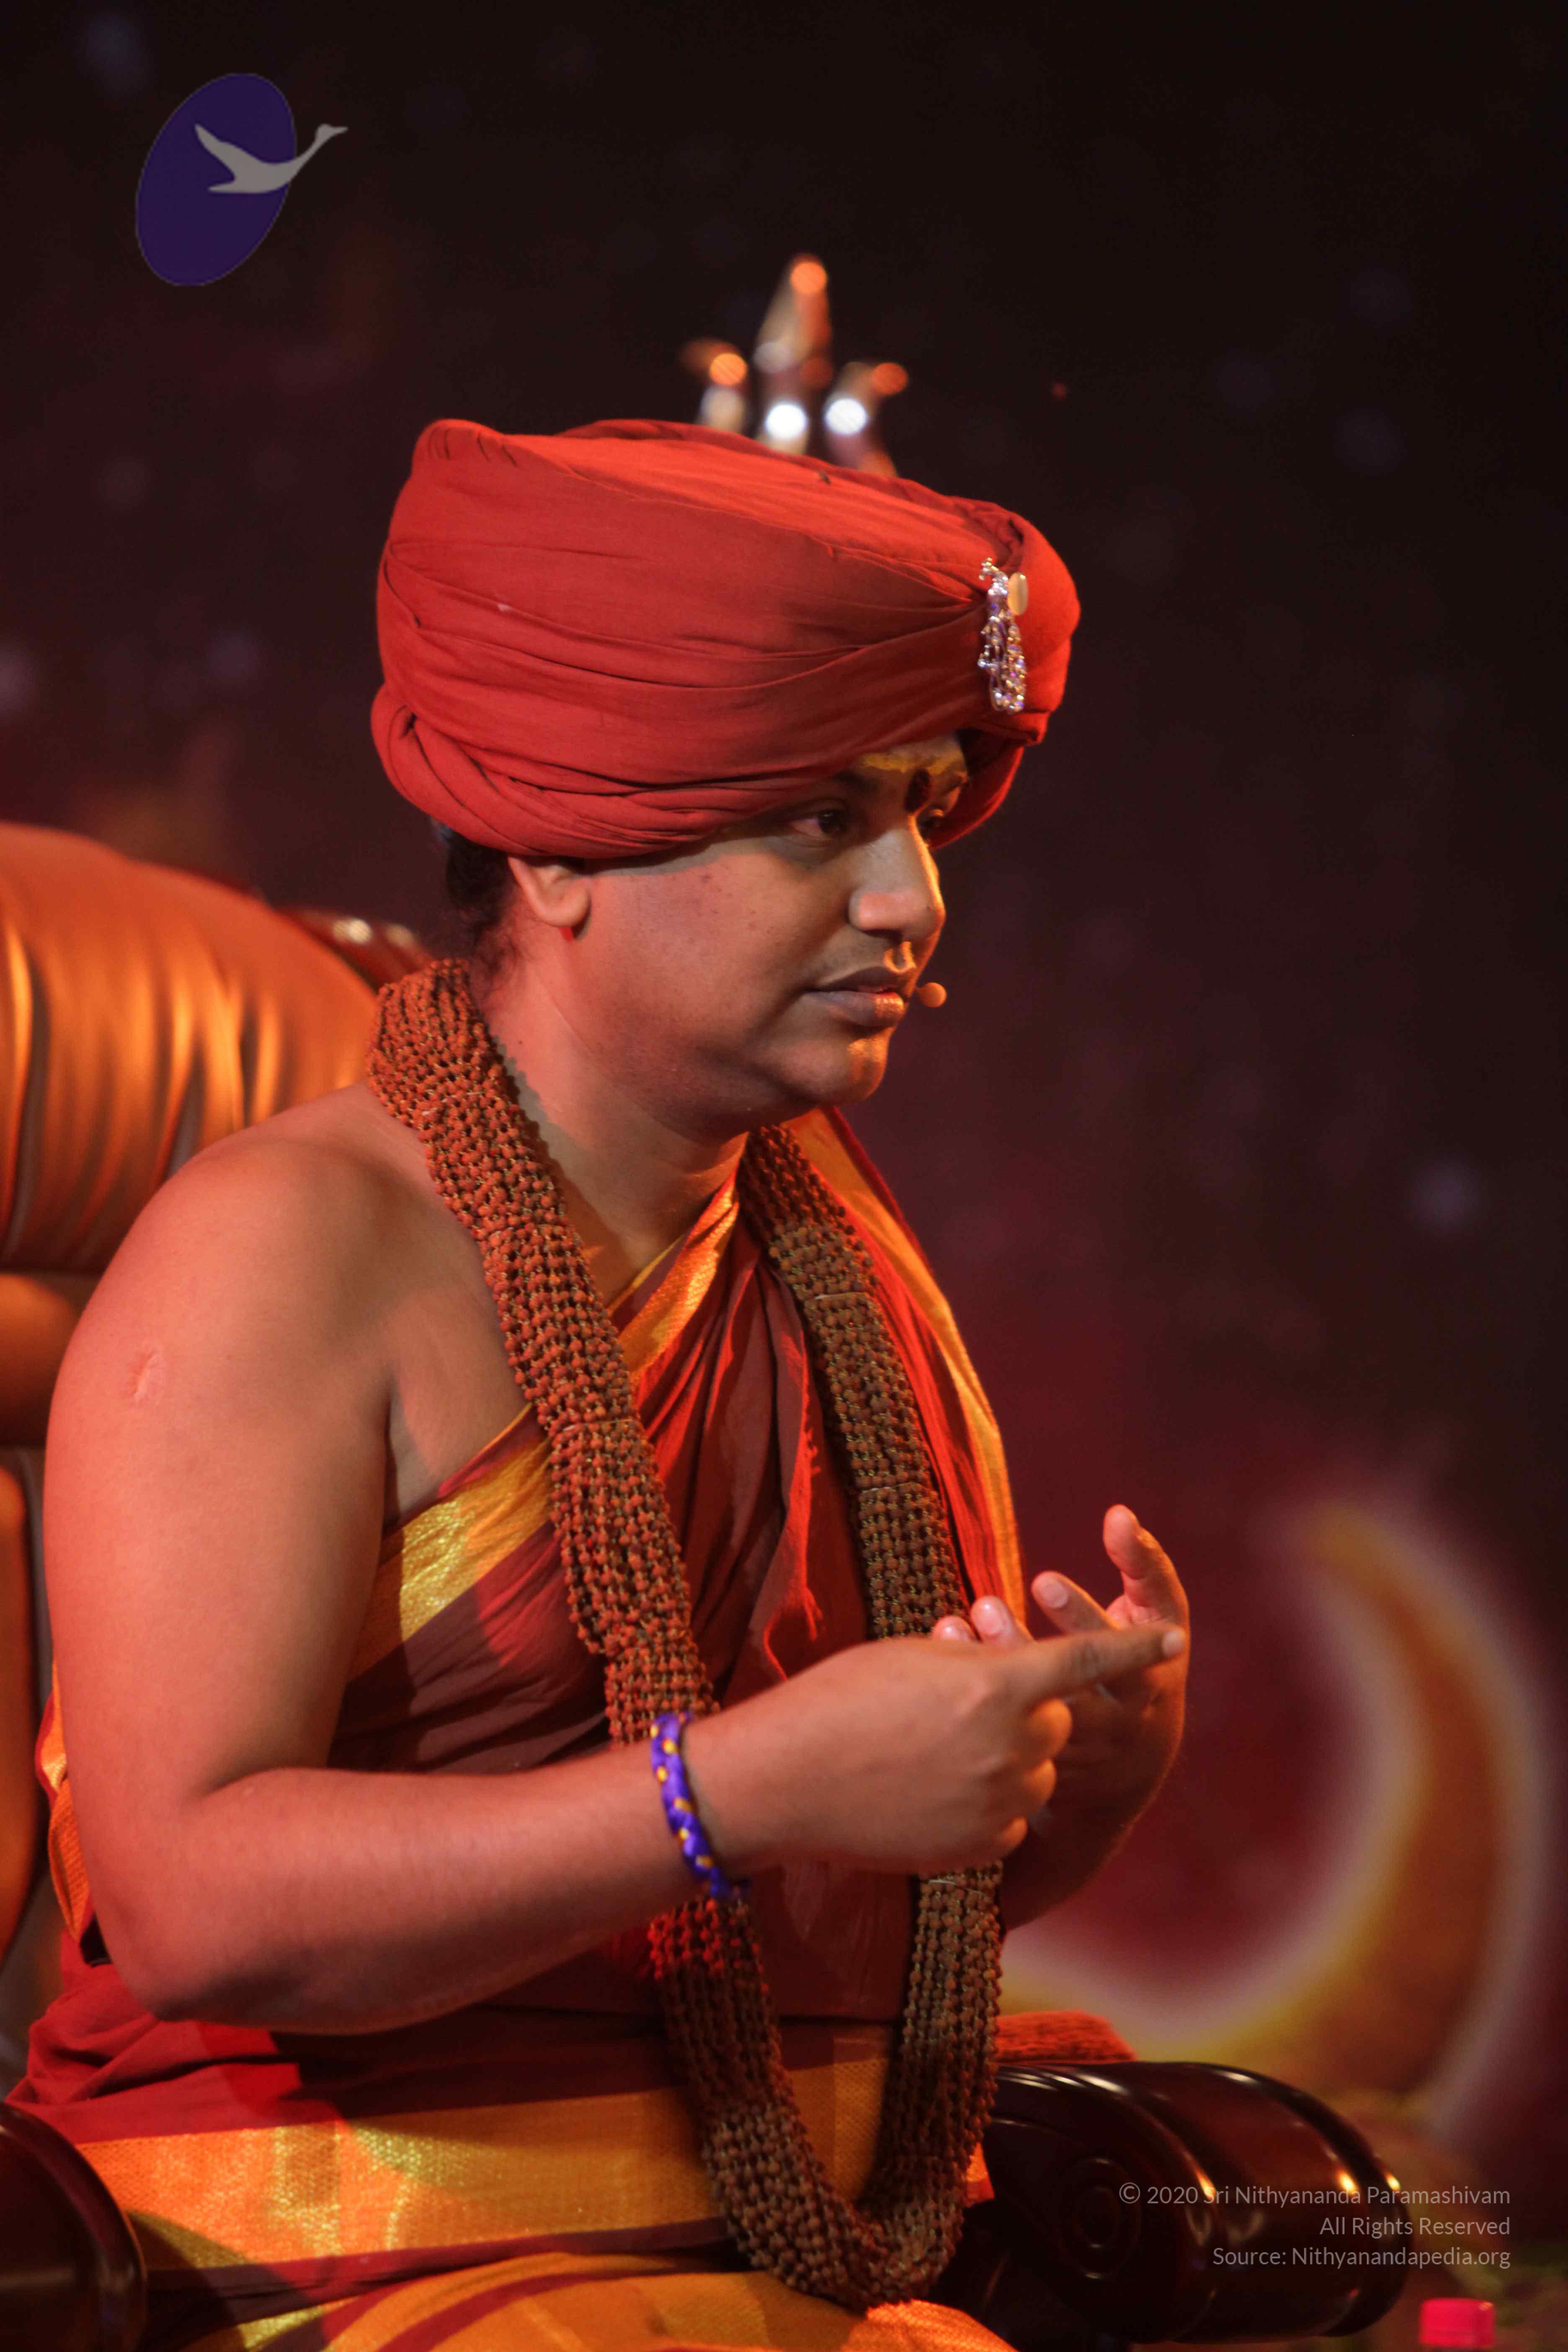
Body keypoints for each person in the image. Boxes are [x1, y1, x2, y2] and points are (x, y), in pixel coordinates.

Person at [13, 419, 1190, 2351]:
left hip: (812, 2257)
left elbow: (824, 1946)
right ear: (557, 845)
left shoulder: (829, 1248)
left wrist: (1070, 1784)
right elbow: (197, 1905)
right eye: (822, 820)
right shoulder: (287, 1245)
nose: (912, 900)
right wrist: (749, 1784)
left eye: (922, 813)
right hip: (344, 2268)